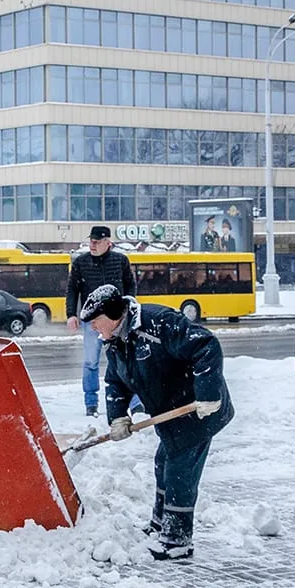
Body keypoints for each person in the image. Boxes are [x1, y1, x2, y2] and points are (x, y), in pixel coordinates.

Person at [80, 283, 234, 561]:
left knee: (179, 471)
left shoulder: (158, 323)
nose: (92, 328)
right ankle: (161, 525)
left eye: (95, 321)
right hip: (169, 414)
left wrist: (208, 394)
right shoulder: (116, 342)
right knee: (164, 463)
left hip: (197, 409)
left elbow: (205, 344)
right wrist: (118, 417)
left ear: (113, 315)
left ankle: (177, 540)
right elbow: (116, 382)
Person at [66, 225, 137, 417]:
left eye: (97, 241)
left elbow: (131, 285)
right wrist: (71, 314)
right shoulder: (81, 263)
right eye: (91, 241)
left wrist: (129, 306)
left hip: (117, 321)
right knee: (90, 362)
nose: (92, 245)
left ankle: (136, 402)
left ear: (108, 242)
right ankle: (91, 404)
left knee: (125, 358)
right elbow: (72, 289)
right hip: (92, 322)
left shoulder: (120, 260)